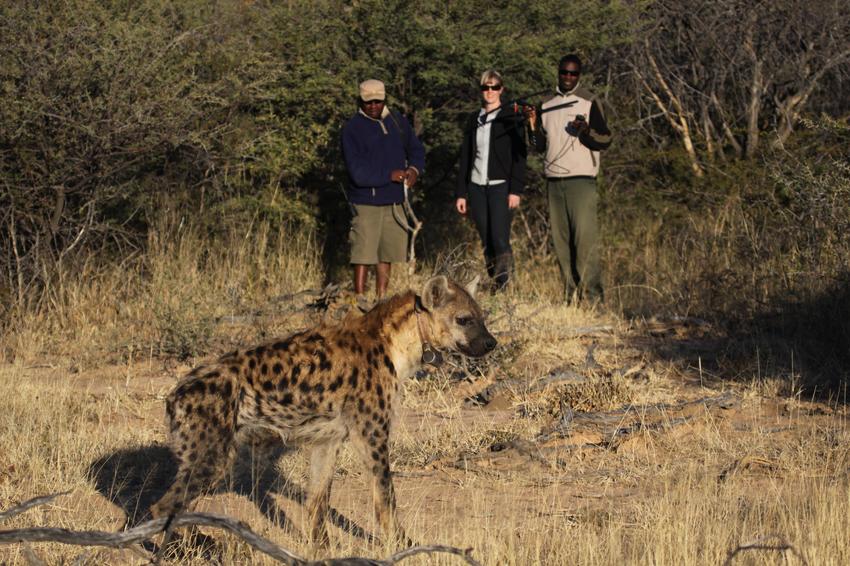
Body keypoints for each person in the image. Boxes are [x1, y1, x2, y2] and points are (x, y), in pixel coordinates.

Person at [525, 54, 612, 304]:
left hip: (581, 181)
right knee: (561, 245)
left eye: (573, 73)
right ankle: (570, 298)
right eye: (564, 72)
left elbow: (605, 139)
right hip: (553, 182)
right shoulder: (546, 103)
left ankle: (594, 299)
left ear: (579, 75)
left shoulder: (589, 101)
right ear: (558, 72)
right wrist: (531, 124)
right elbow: (537, 145)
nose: (568, 77)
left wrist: (585, 131)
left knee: (584, 242)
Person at [341, 79, 425, 298]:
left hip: (394, 199)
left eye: (378, 101)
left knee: (386, 253)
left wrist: (414, 170)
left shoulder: (397, 121)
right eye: (368, 102)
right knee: (363, 253)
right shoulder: (352, 129)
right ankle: (359, 300)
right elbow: (357, 172)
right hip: (366, 200)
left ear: (384, 99)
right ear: (360, 101)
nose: (373, 106)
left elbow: (416, 149)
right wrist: (389, 175)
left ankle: (381, 300)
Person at [455, 69, 526, 292]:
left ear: (501, 89)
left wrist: (515, 190)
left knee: (499, 237)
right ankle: (495, 282)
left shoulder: (510, 117)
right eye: (486, 87)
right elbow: (466, 157)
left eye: (494, 87)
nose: (490, 91)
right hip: (476, 186)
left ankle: (503, 286)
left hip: (500, 187)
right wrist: (461, 193)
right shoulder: (474, 119)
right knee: (486, 239)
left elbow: (520, 156)